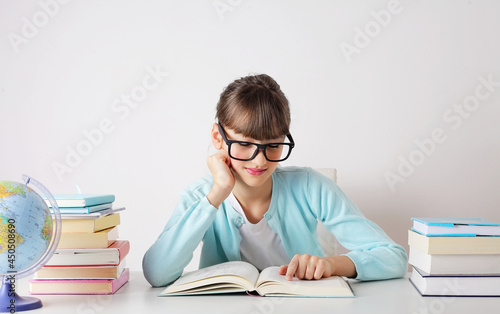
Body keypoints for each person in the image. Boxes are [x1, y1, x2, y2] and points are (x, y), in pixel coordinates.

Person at [142, 74, 408, 287]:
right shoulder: (200, 196)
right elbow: (157, 273)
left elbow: (393, 257)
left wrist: (332, 264)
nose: (260, 161)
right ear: (218, 137)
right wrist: (217, 194)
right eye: (245, 144)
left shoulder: (309, 186)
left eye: (273, 145)